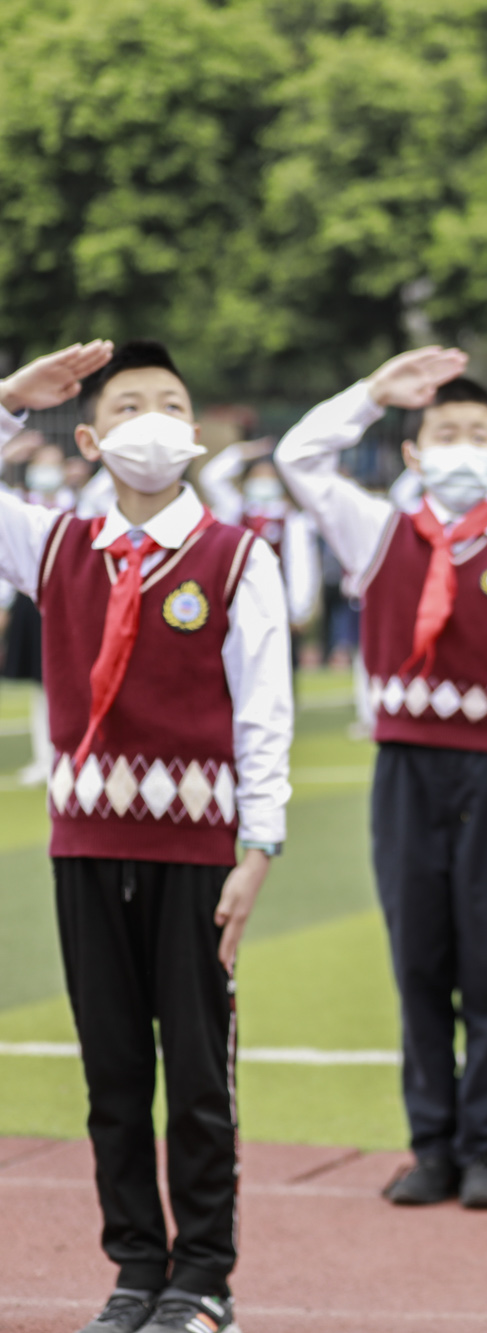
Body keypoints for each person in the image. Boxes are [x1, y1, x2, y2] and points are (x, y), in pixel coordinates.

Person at [0, 339, 293, 1333]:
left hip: (198, 854)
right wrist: (8, 401)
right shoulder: (52, 546)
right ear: (87, 437)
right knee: (113, 1070)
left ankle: (203, 1277)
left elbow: (265, 714)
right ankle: (135, 1267)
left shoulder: (236, 557)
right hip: (86, 847)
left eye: (171, 403)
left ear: (198, 435)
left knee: (199, 1077)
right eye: (129, 407)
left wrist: (259, 850)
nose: (153, 421)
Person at [277, 354, 487, 1210]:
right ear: (413, 453)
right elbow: (301, 457)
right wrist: (371, 394)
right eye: (444, 434)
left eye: (478, 435)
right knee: (418, 963)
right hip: (405, 767)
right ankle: (430, 1146)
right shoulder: (374, 533)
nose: (462, 447)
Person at [197, 441, 322, 643]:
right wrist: (240, 453)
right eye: (258, 476)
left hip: (275, 603)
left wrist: (299, 609)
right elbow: (211, 478)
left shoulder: (291, 519)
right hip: (234, 600)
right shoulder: (236, 509)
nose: (263, 482)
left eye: (269, 477)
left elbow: (300, 565)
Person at [2, 434, 72, 784]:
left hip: (73, 601)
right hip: (31, 602)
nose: (47, 470)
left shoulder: (81, 503)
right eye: (40, 463)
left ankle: (71, 756)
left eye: (53, 462)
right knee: (38, 682)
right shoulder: (17, 502)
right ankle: (44, 759)